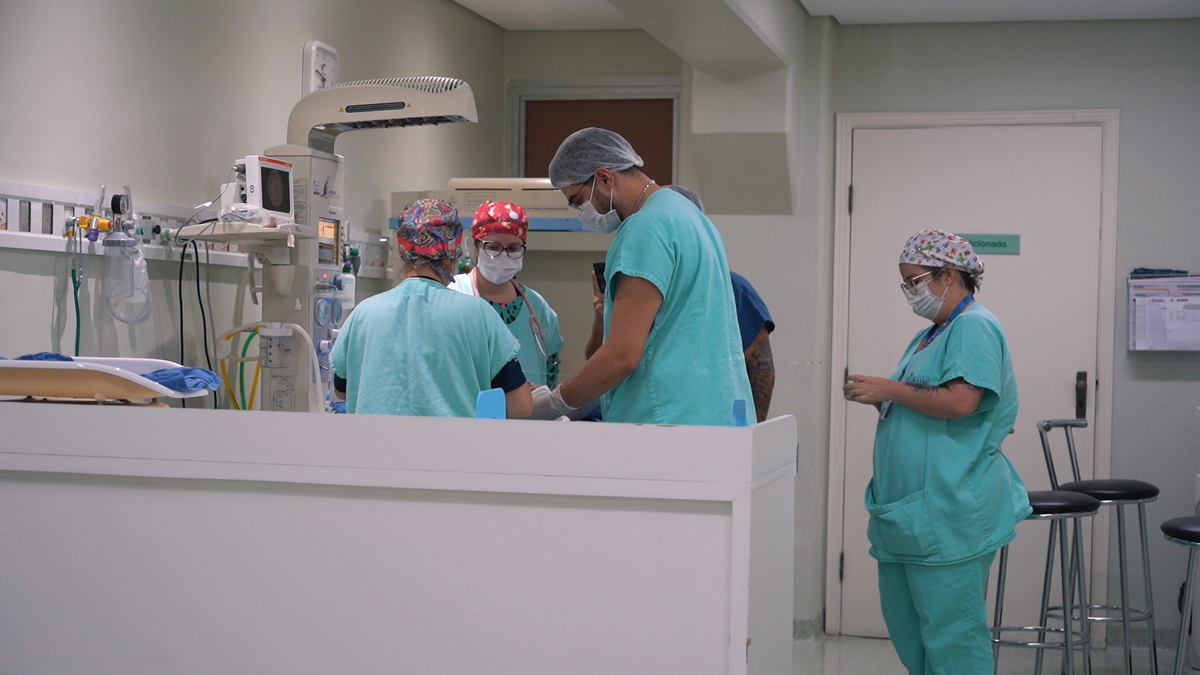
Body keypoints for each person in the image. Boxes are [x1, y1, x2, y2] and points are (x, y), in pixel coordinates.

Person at [842, 229, 1030, 675]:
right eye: (906, 283)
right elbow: (922, 403)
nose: (911, 292)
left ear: (948, 275)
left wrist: (889, 389)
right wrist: (884, 401)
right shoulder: (932, 335)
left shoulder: (974, 326)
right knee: (915, 637)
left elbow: (961, 402)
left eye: (915, 281)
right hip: (910, 514)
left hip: (949, 511)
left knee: (953, 641)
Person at [536, 127, 752, 425]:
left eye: (578, 200)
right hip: (714, 416)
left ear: (604, 178)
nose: (579, 212)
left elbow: (621, 356)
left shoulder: (644, 228)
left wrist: (552, 403)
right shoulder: (690, 216)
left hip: (665, 423)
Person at [330, 198, 532, 418]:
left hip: (375, 440)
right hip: (453, 440)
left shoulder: (364, 313)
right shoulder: (479, 314)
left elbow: (341, 390)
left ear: (403, 252)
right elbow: (520, 407)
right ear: (454, 252)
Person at [662, 185, 776, 422]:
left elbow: (762, 369)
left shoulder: (733, 288)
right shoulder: (646, 290)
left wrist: (751, 432)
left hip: (715, 421)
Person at [449, 201, 564, 387]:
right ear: (476, 246)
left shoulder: (537, 306)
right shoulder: (454, 294)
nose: (503, 256)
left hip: (529, 406)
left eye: (513, 248)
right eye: (493, 247)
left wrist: (543, 397)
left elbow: (550, 370)